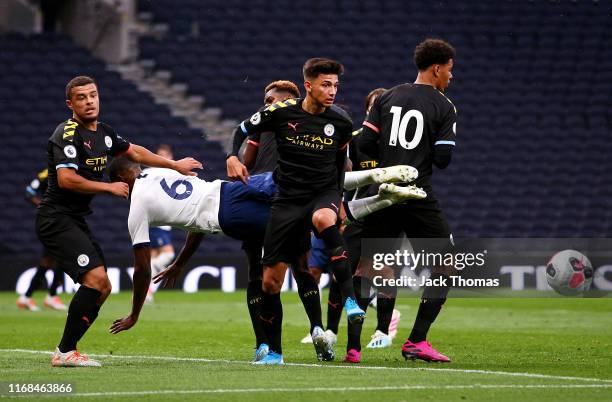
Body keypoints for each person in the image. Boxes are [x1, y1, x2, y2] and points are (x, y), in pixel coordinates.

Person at [106, 158, 425, 364]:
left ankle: (274, 349)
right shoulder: (160, 170)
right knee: (303, 195)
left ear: (122, 181)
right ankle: (377, 185)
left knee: (288, 246)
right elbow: (192, 221)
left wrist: (135, 313)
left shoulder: (137, 206)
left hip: (230, 216)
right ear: (134, 169)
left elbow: (143, 267)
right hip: (230, 190)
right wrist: (181, 263)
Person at [36, 75, 202, 367]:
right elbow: (65, 179)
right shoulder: (67, 133)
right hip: (56, 218)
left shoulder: (104, 133)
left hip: (75, 218)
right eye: (81, 98)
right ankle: (65, 352)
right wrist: (108, 187)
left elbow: (135, 151)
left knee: (103, 287)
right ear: (70, 104)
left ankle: (67, 350)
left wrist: (174, 164)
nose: (89, 101)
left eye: (93, 95)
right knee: (96, 281)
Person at [357, 39, 458, 363]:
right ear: (437, 68)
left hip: (383, 192)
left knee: (367, 267)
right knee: (445, 265)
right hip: (416, 194)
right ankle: (416, 340)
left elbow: (367, 144)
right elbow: (443, 158)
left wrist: (389, 160)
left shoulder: (387, 97)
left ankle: (348, 346)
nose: (451, 78)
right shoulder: (444, 105)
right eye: (450, 71)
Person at [17, 168, 67, 311]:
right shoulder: (49, 172)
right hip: (51, 222)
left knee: (49, 260)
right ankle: (50, 296)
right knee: (62, 258)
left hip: (61, 221)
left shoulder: (68, 170)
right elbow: (29, 192)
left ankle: (27, 297)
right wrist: (45, 207)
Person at [144, 144, 177, 304]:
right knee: (168, 254)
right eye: (160, 155)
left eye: (166, 155)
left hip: (165, 221)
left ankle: (145, 291)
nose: (163, 158)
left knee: (154, 256)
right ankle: (143, 279)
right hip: (156, 219)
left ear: (171, 156)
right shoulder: (152, 172)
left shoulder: (172, 171)